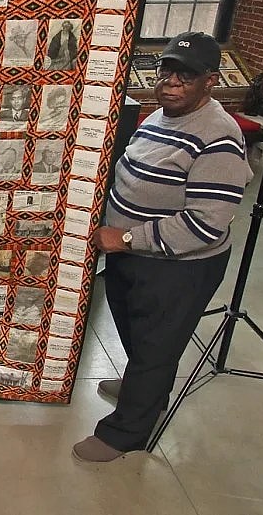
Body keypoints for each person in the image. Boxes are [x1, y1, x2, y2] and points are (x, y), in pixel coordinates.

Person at [71, 32, 252, 463]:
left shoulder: (219, 137)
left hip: (178, 267)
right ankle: (144, 384)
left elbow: (206, 225)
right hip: (130, 254)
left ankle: (125, 433)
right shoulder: (160, 117)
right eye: (166, 69)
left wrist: (128, 237)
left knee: (157, 344)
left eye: (185, 74)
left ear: (210, 80)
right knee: (138, 332)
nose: (171, 80)